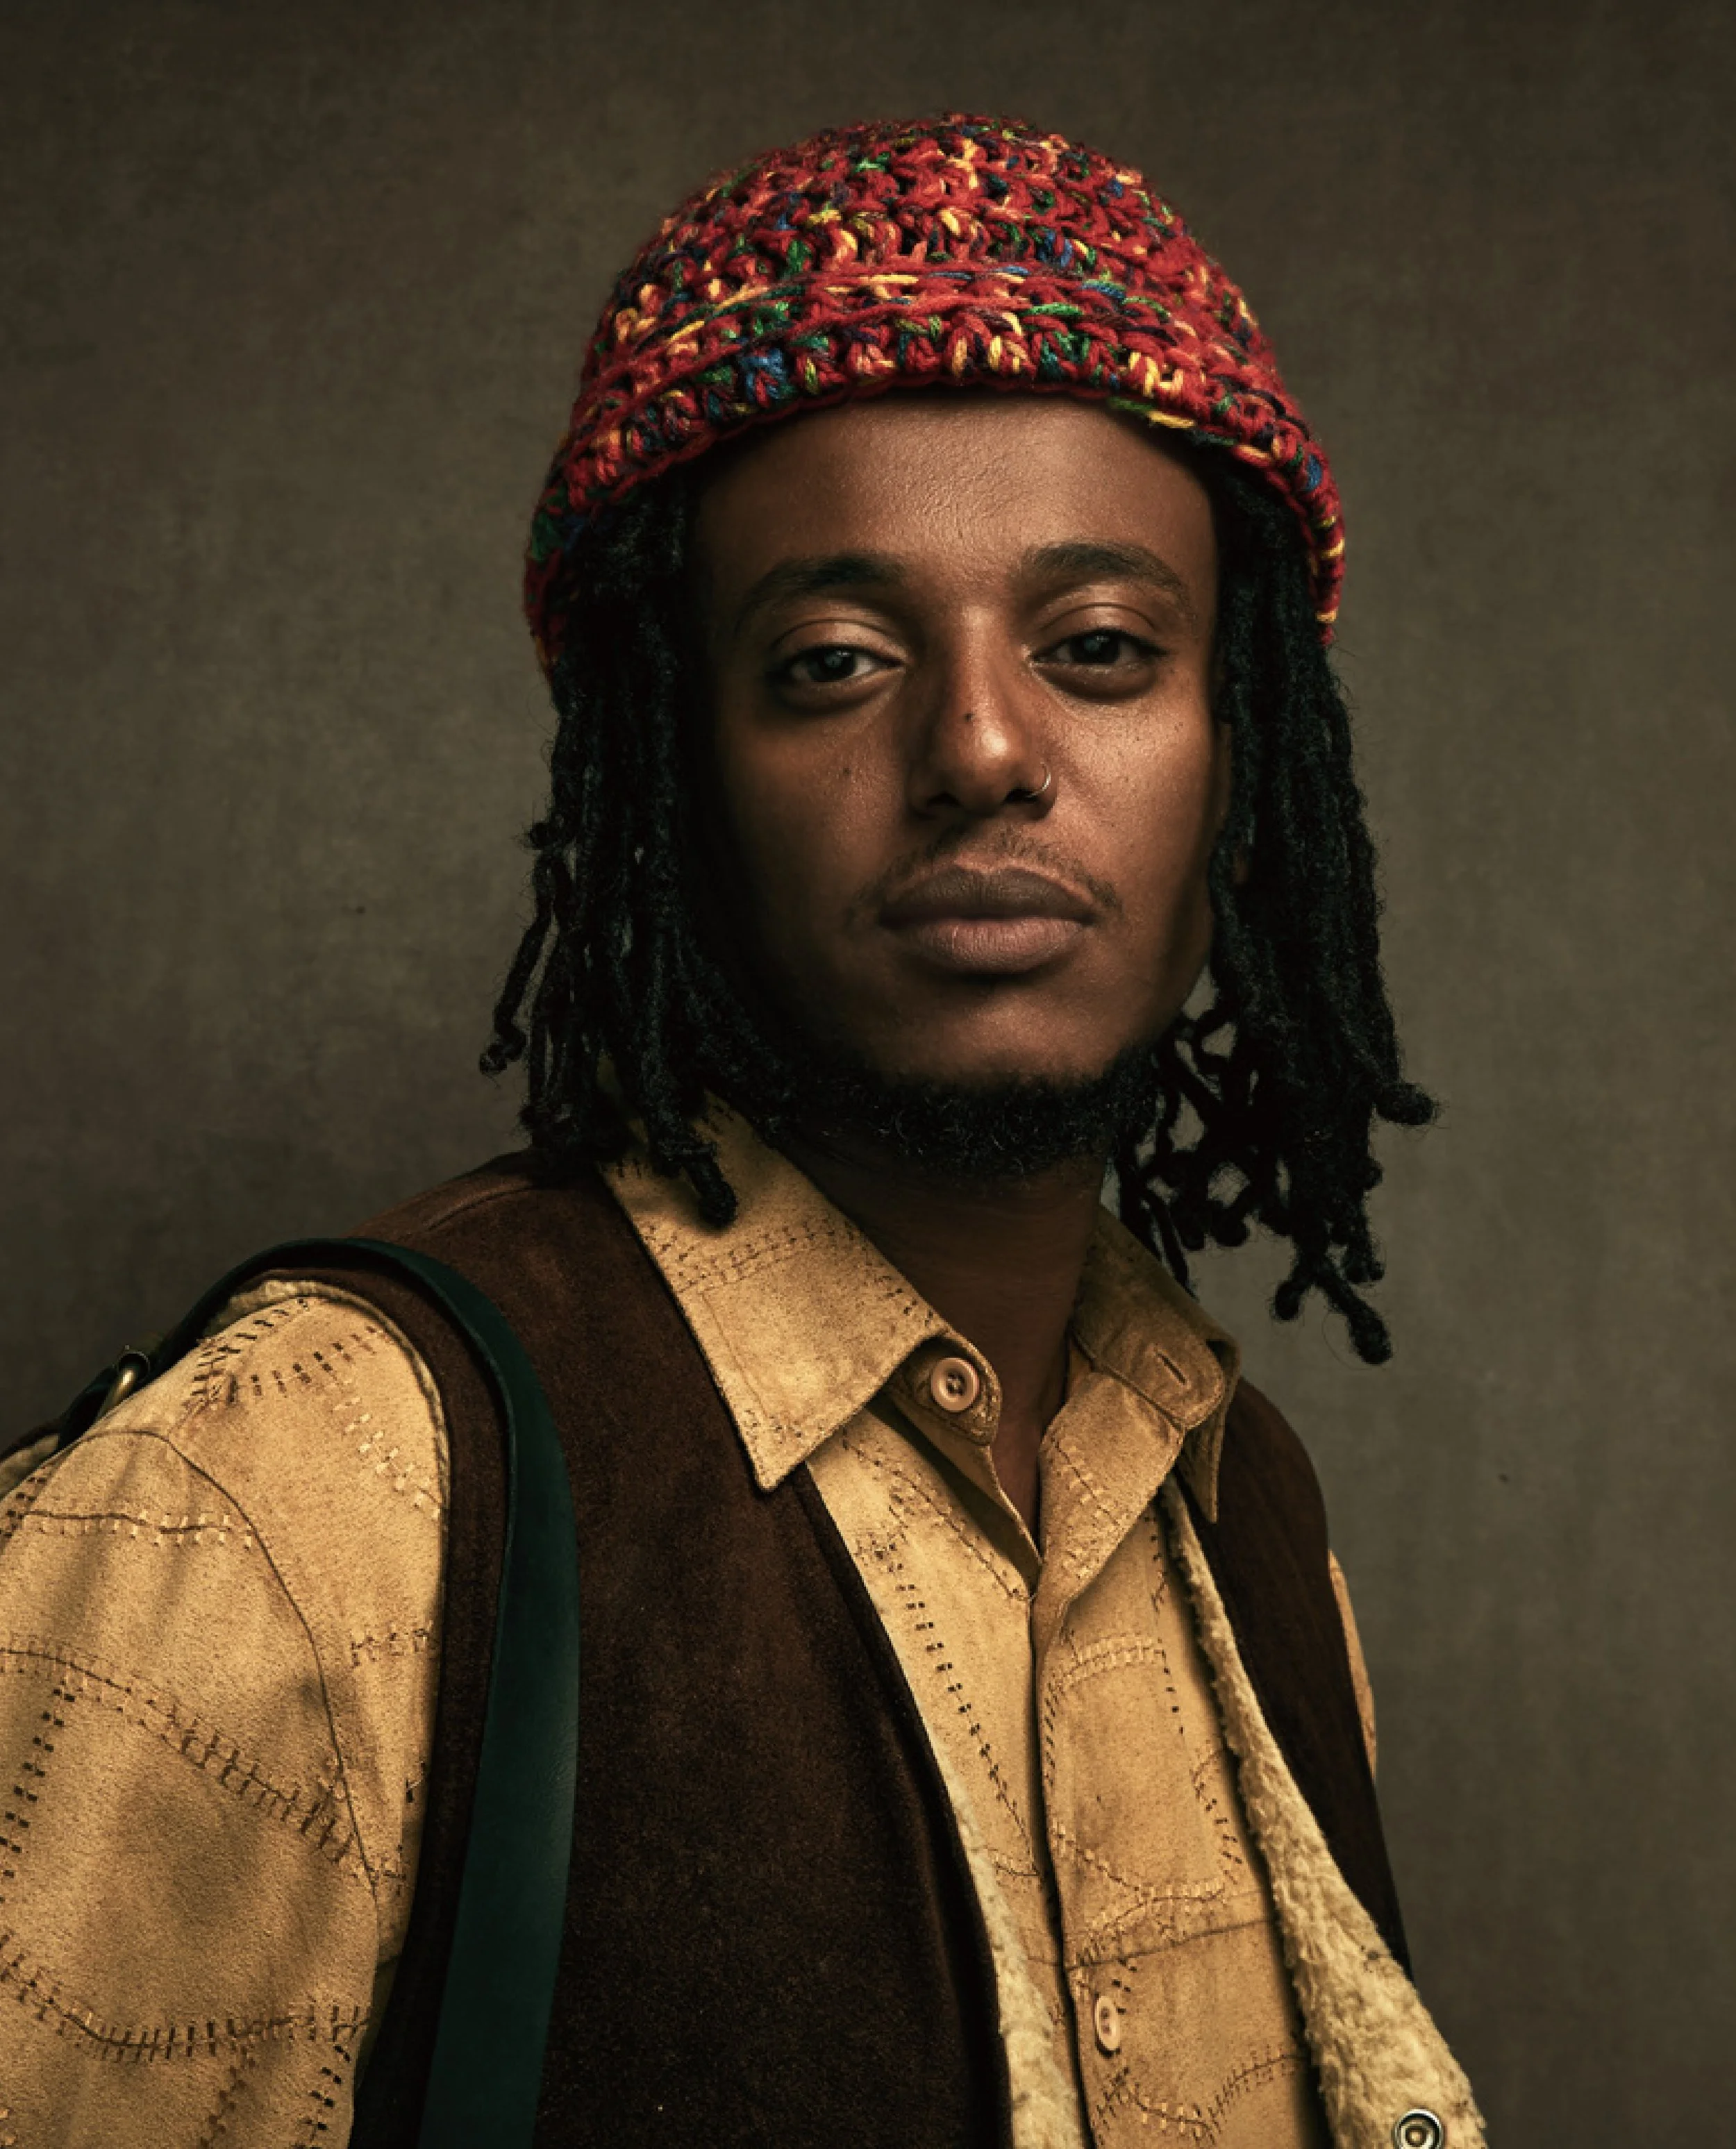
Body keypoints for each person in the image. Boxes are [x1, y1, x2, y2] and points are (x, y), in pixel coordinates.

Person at [0, 114, 1482, 2148]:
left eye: (1099, 650)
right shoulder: (292, 1498)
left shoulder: (1250, 1533)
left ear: (1243, 757)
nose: (979, 748)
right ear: (671, 766)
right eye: (832, 662)